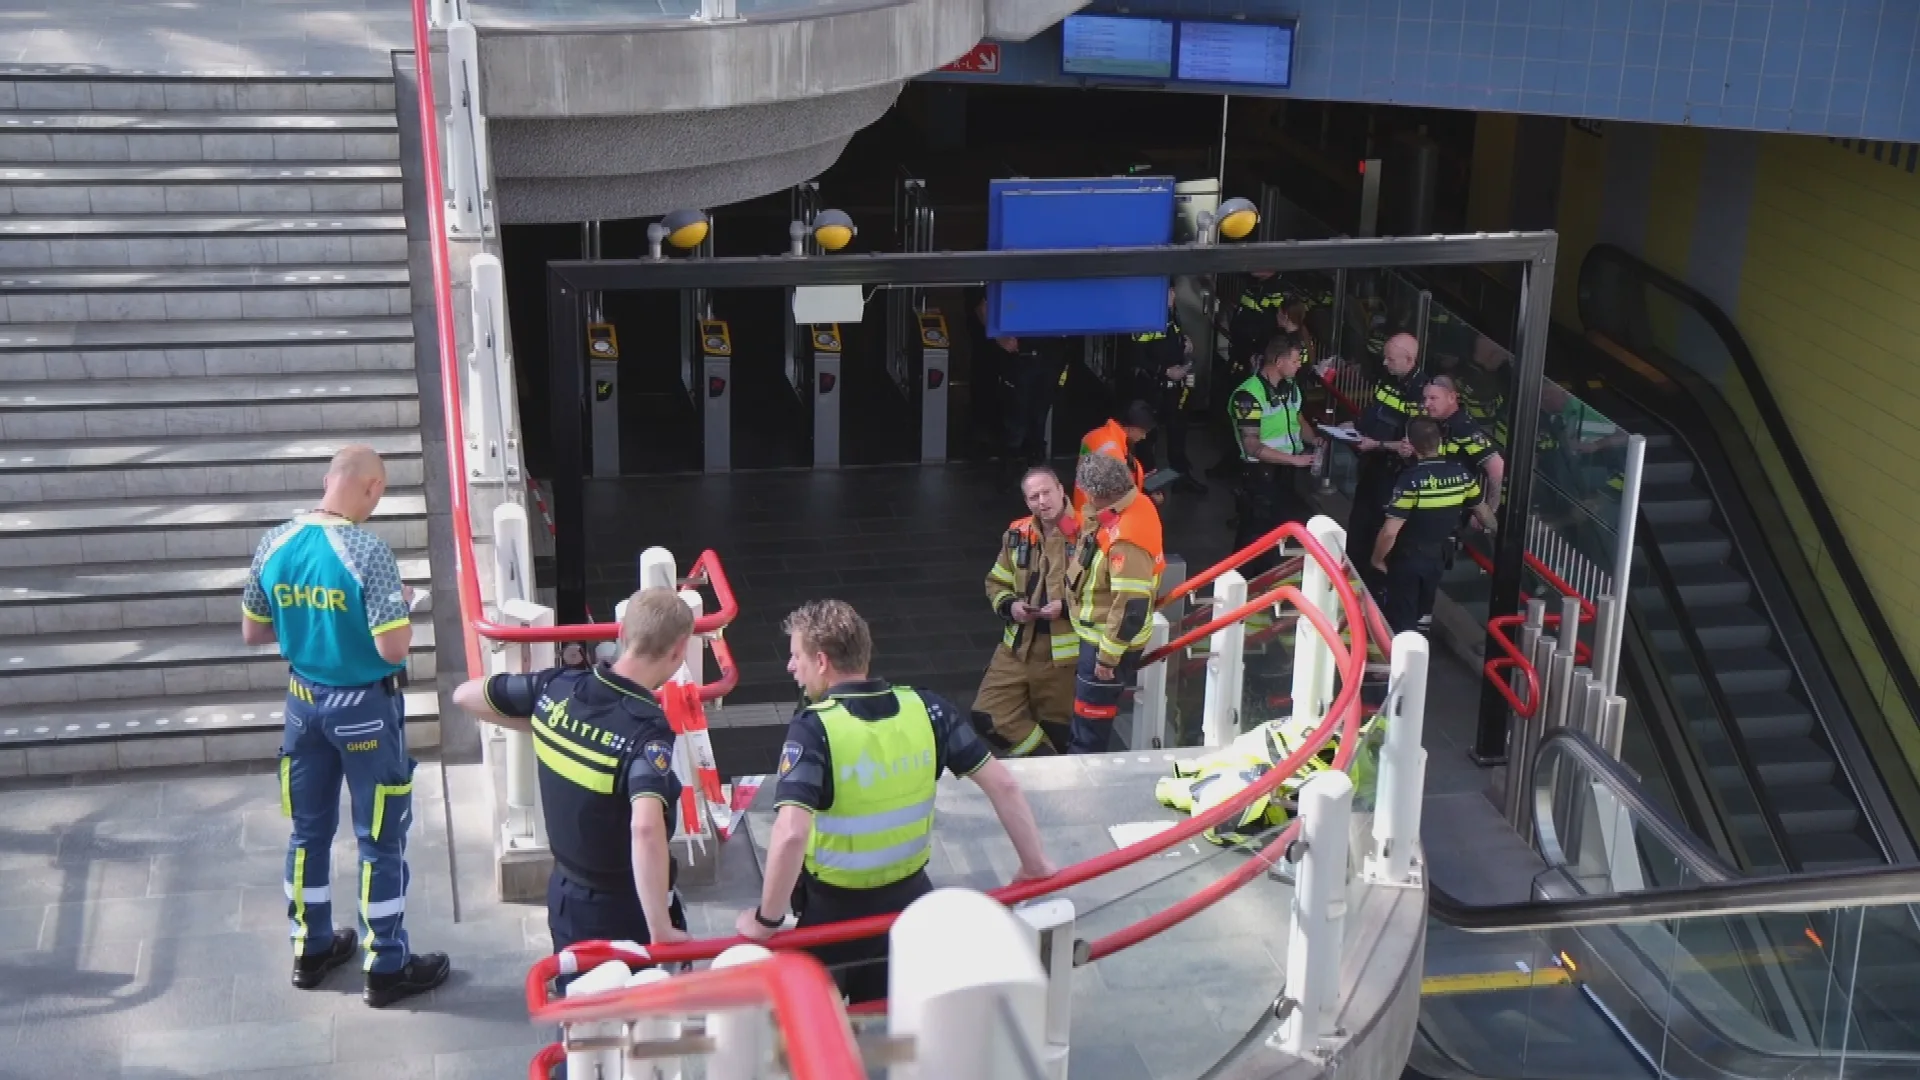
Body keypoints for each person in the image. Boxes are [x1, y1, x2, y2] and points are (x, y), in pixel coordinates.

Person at [735, 600, 1057, 1003]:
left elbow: (790, 834)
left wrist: (767, 919)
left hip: (833, 914)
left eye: (796, 656)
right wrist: (1035, 865)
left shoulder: (814, 728)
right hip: (909, 906)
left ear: (821, 662)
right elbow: (1003, 785)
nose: (790, 667)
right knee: (893, 1021)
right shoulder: (928, 709)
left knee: (812, 1029)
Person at [240, 445, 449, 1007]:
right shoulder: (369, 551)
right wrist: (397, 607)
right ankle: (386, 965)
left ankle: (310, 949)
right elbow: (391, 646)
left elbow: (255, 632)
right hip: (364, 710)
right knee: (380, 838)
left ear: (327, 479)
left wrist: (311, 625)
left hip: (302, 705)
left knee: (308, 832)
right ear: (374, 488)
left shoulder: (275, 541)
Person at [452, 588, 694, 955]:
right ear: (678, 650)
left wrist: (544, 724)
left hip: (565, 896)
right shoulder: (648, 730)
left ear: (622, 634)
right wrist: (659, 925)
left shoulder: (557, 687)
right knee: (638, 1008)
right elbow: (645, 827)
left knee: (579, 1001)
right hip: (624, 909)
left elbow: (465, 696)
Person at [975, 468, 1080, 757]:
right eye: (1034, 497)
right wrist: (1011, 606)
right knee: (988, 715)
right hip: (1017, 646)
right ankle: (1047, 764)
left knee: (1058, 728)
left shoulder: (1087, 534)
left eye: (1047, 492)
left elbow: (1104, 595)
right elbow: (996, 581)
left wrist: (1066, 609)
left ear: (1061, 490)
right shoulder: (1017, 534)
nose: (1042, 501)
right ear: (1026, 501)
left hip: (1063, 657)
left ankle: (1049, 778)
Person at [1066, 453, 1165, 754]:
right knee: (1089, 715)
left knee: (1090, 721)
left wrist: (1107, 659)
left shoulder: (1126, 540)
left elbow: (1130, 608)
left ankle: (1084, 775)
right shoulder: (1136, 504)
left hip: (1105, 643)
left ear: (1098, 494)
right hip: (1102, 635)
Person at [1371, 418, 1497, 634]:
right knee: (1423, 618)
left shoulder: (1410, 480)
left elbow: (1390, 531)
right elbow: (1486, 516)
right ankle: (1421, 655)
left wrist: (1377, 559)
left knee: (1402, 621)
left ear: (1410, 443)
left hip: (1407, 559)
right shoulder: (1462, 475)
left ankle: (1402, 663)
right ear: (1440, 441)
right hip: (1438, 558)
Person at [1229, 332, 1321, 580]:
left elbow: (1298, 419)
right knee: (1252, 539)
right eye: (1295, 360)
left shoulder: (1290, 389)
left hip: (1286, 476)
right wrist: (1295, 459)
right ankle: (1237, 591)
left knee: (1277, 537)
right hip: (1260, 476)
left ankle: (1265, 587)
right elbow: (1252, 446)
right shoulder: (1248, 395)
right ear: (1278, 361)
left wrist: (1314, 439)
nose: (1299, 364)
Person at [1347, 332, 1429, 592]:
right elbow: (1376, 412)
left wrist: (1377, 444)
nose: (1385, 363)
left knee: (1378, 536)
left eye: (1391, 359)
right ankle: (1350, 585)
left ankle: (1372, 594)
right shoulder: (1388, 376)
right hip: (1371, 467)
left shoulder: (1420, 392)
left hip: (1393, 475)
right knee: (1358, 531)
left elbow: (1411, 445)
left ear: (1409, 359)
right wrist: (1354, 427)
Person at [1210, 269, 1295, 480]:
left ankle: (1236, 466)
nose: (1253, 266)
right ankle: (1231, 462)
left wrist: (1263, 357)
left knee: (1247, 419)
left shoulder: (1279, 291)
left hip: (1259, 361)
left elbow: (1277, 328)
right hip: (1241, 355)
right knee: (1227, 409)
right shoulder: (1251, 284)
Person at [1121, 286, 1204, 493]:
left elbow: (1168, 342)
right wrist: (1164, 371)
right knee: (1147, 438)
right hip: (1150, 387)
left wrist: (1183, 344)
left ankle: (1181, 477)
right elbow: (1136, 356)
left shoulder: (1171, 315)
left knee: (1178, 432)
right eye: (1169, 292)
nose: (1173, 296)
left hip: (1173, 387)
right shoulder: (1145, 318)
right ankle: (1147, 486)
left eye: (1174, 291)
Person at [1423, 375, 1506, 515]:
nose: (1426, 404)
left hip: (1455, 509)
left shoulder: (1464, 427)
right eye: (1425, 398)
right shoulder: (1436, 422)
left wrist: (1488, 511)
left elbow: (1497, 467)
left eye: (1433, 398)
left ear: (1451, 397)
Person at [994, 330, 1063, 466]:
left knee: (1039, 418)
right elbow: (984, 309)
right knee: (1016, 419)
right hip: (1020, 353)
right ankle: (1011, 472)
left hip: (1050, 351)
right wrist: (998, 335)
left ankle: (1035, 469)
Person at [1072, 401, 1153, 512]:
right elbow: (1120, 496)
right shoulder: (1113, 452)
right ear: (1131, 428)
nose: (1143, 437)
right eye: (1143, 431)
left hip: (1084, 509)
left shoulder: (1092, 436)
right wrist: (1149, 499)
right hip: (1098, 517)